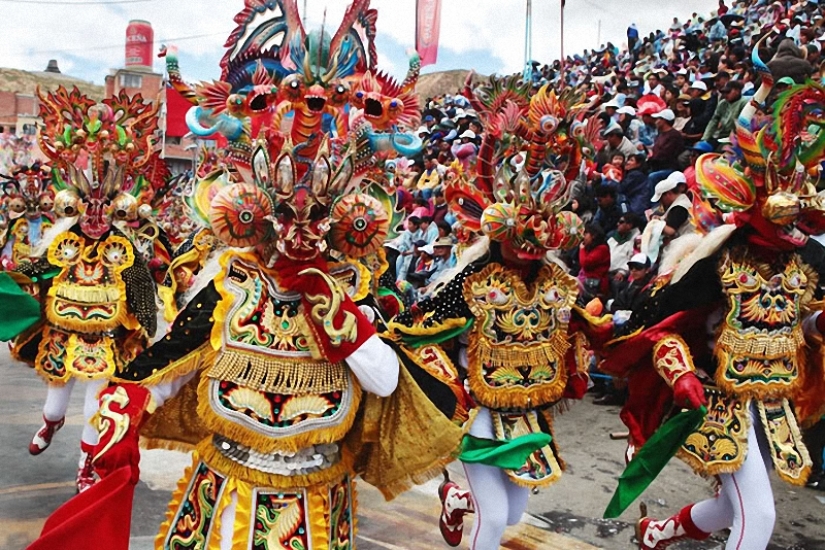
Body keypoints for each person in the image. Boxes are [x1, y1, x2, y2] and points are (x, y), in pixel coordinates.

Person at [702, 80, 748, 146]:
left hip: (735, 138)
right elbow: (714, 121)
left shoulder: (744, 103)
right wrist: (705, 138)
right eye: (724, 92)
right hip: (720, 134)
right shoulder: (723, 103)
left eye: (728, 92)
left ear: (737, 91)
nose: (725, 95)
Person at [579, 223, 611, 301]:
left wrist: (582, 249)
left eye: (586, 233)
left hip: (595, 285)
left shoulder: (602, 249)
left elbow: (585, 263)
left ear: (593, 235)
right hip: (586, 281)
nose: (584, 236)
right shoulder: (591, 247)